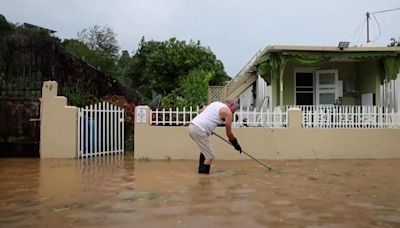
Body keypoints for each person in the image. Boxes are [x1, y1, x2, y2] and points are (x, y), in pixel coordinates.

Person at [188, 100, 242, 174]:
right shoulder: (228, 112)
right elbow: (229, 133)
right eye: (234, 110)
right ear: (231, 105)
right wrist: (235, 143)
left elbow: (200, 111)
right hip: (199, 129)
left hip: (192, 126)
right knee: (210, 156)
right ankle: (204, 180)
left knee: (205, 152)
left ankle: (200, 173)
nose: (233, 113)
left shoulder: (215, 103)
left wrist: (208, 126)